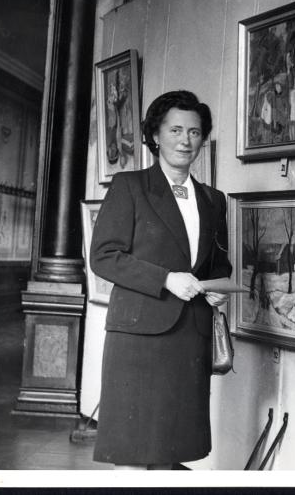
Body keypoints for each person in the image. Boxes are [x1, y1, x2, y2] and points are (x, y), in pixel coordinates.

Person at [90, 90, 232, 470]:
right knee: (134, 453)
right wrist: (166, 279)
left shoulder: (214, 200)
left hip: (190, 339)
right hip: (139, 340)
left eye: (195, 132)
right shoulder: (130, 186)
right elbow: (103, 256)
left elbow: (218, 264)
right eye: (175, 130)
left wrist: (217, 288)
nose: (186, 141)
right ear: (155, 135)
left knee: (170, 451)